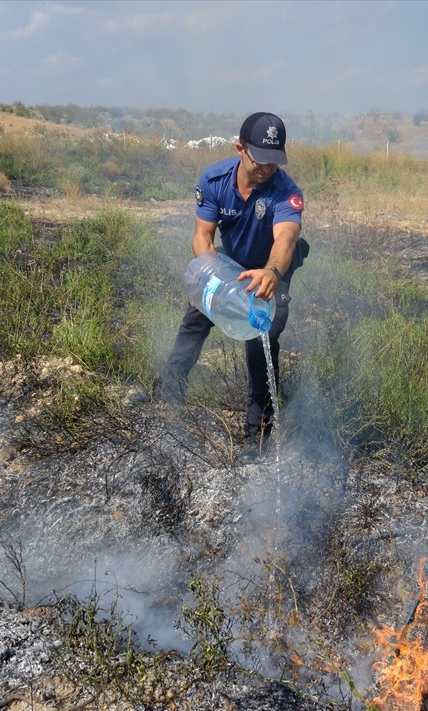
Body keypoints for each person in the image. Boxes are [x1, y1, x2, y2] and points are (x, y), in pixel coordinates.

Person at [160, 111, 309, 462]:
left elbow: (286, 239)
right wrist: (210, 279)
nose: (267, 169)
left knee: (262, 338)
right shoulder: (214, 180)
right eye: (261, 160)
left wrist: (271, 273)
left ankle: (256, 437)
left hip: (273, 267)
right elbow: (202, 236)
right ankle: (168, 394)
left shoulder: (286, 193)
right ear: (240, 149)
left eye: (275, 162)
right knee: (196, 316)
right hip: (229, 263)